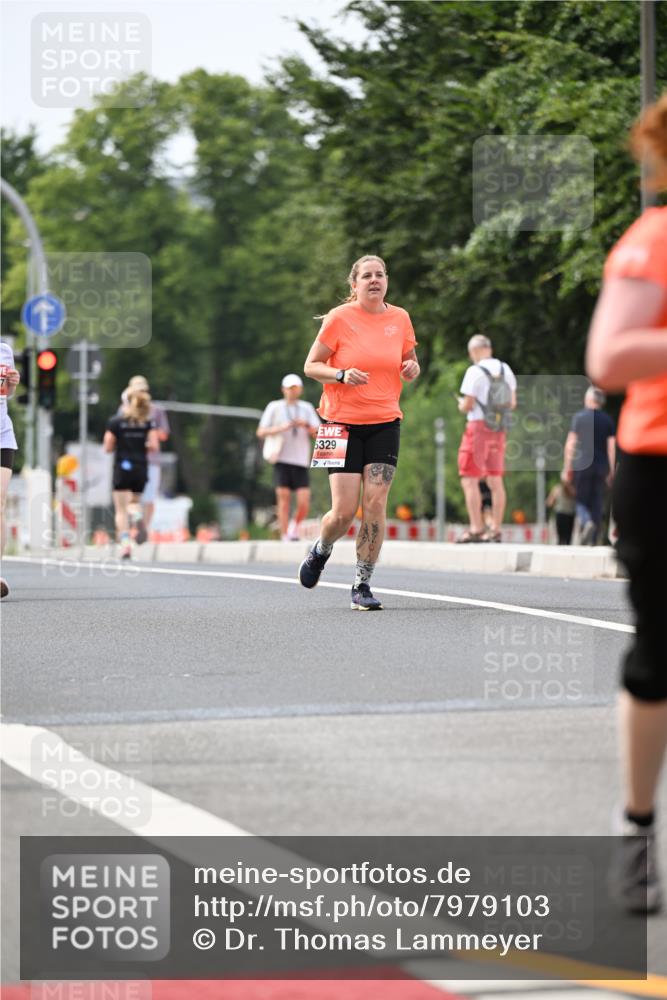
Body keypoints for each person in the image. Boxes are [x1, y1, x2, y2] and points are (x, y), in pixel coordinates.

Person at [586, 92, 667, 914]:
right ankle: (636, 827)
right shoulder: (653, 242)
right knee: (659, 654)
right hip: (659, 465)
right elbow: (609, 354)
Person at [299, 254, 419, 609]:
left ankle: (362, 584)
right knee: (343, 512)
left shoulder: (400, 319)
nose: (374, 280)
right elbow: (310, 366)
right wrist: (340, 374)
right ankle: (321, 549)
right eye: (366, 275)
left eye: (380, 274)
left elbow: (409, 362)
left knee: (376, 504)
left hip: (384, 421)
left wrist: (412, 368)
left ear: (387, 281)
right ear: (354, 285)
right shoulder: (339, 318)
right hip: (337, 422)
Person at [456, 335, 516, 542]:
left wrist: (461, 405)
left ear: (474, 351)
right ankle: (496, 529)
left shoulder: (474, 371)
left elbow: (468, 405)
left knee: (469, 477)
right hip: (499, 427)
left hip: (478, 427)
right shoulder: (505, 369)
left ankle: (476, 528)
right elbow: (512, 403)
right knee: (495, 478)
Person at [256, 374, 320, 541]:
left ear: (300, 389)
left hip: (300, 459)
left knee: (304, 501)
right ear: (283, 389)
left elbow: (318, 433)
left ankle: (294, 526)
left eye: (295, 388)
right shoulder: (274, 407)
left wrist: (305, 425)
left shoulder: (306, 408)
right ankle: (285, 534)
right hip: (282, 458)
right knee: (283, 499)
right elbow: (261, 431)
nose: (292, 391)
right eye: (290, 388)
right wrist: (280, 428)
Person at [104, 386, 159, 559]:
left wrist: (122, 443)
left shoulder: (116, 422)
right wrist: (141, 444)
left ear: (124, 402)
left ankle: (126, 545)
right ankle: (137, 516)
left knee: (120, 510)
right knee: (134, 502)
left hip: (123, 467)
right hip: (141, 467)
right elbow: (154, 446)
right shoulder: (147, 422)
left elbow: (108, 447)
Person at [562, 387, 615, 545]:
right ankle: (593, 539)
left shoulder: (579, 418)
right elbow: (611, 448)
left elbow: (570, 445)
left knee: (581, 500)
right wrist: (611, 470)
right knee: (597, 500)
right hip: (601, 466)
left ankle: (586, 522)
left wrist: (567, 467)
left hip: (582, 465)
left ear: (588, 399)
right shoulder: (608, 420)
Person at [119, 375, 170, 542]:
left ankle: (139, 528)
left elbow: (163, 435)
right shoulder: (126, 410)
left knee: (138, 498)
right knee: (141, 498)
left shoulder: (154, 410)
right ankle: (140, 528)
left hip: (138, 460)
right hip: (143, 460)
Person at [0, 341, 21, 599]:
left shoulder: (4, 350)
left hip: (2, 435)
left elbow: (8, 393)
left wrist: (13, 382)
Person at [546, 479, 576, 545]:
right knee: (568, 537)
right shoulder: (572, 488)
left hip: (561, 514)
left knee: (561, 537)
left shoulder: (557, 489)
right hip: (569, 514)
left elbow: (549, 502)